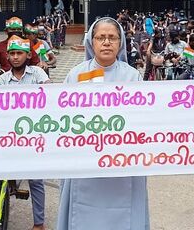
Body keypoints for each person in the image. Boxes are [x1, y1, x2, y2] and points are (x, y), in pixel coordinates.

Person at [57, 17, 148, 230]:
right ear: (91, 41)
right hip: (84, 162)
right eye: (101, 37)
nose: (106, 42)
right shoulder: (76, 75)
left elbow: (143, 117)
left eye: (112, 37)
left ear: (120, 43)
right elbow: (62, 116)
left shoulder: (132, 76)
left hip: (122, 161)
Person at [0, 35, 51, 230]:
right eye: (12, 53)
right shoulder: (1, 80)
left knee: (35, 179)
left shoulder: (37, 74)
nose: (15, 57)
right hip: (8, 135)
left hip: (33, 136)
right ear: (7, 57)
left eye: (20, 53)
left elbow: (49, 93)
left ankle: (39, 223)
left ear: (28, 55)